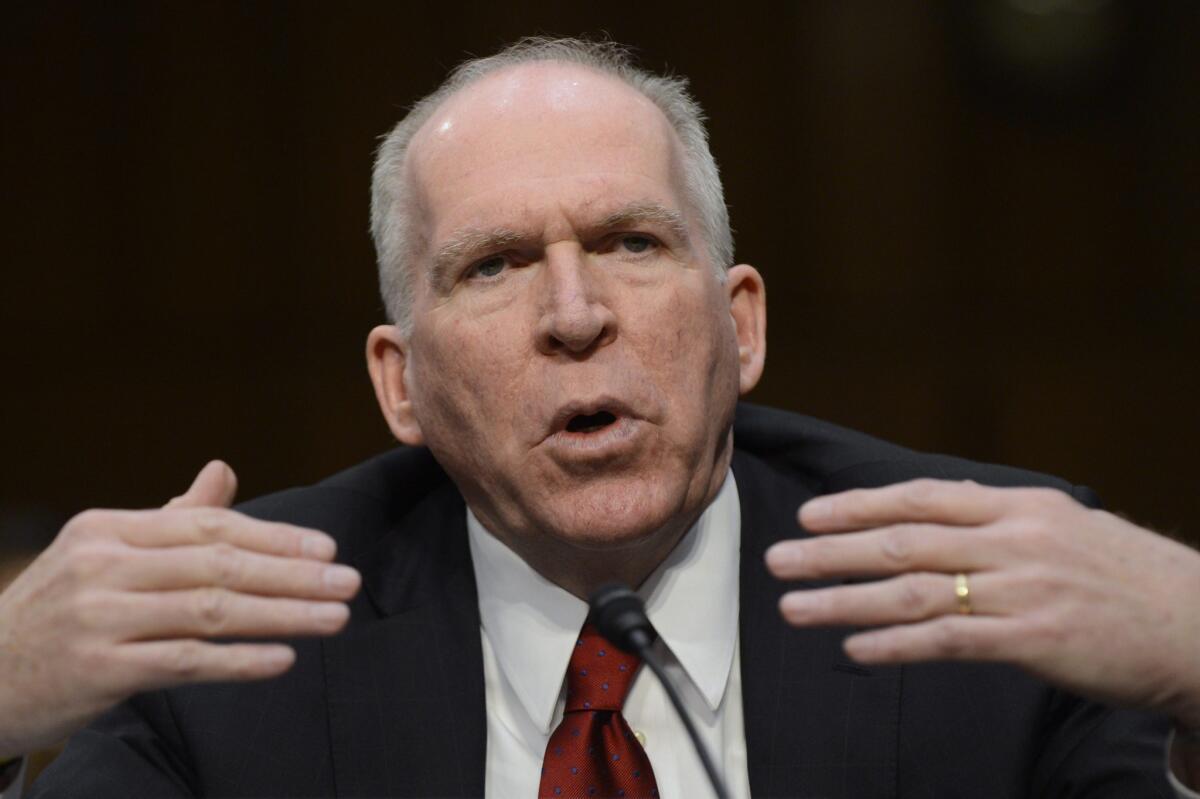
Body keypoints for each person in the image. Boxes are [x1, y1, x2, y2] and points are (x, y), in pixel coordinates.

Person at [0, 37, 1197, 798]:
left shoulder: (991, 598)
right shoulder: (228, 657)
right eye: (496, 265)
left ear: (742, 326)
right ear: (400, 383)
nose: (575, 315)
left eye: (632, 243)